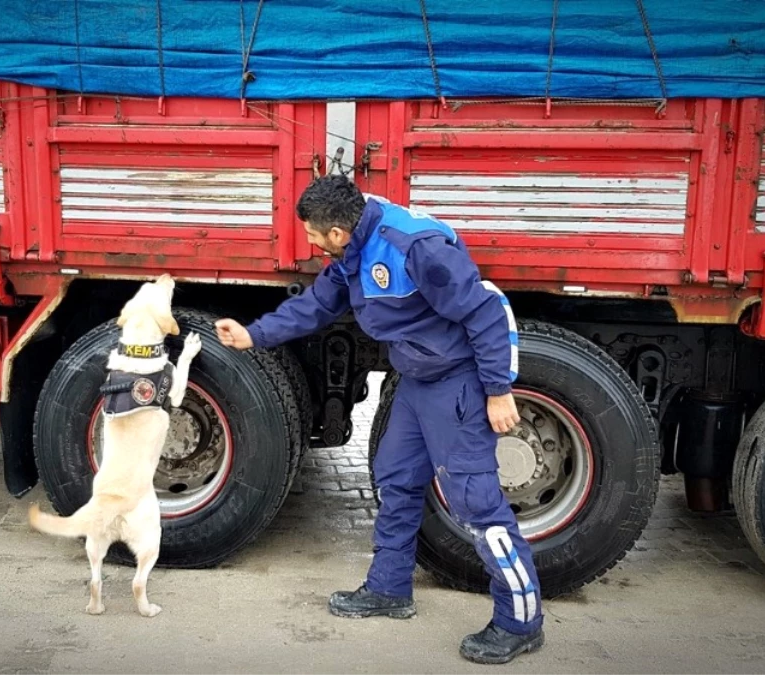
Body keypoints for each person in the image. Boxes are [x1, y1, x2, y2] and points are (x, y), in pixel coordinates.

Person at [214, 175, 544, 665]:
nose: (307, 240)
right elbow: (317, 305)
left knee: (475, 502)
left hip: (456, 381)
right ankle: (389, 590)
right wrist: (253, 335)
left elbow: (488, 311)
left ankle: (520, 621)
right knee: (395, 477)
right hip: (416, 380)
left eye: (311, 233)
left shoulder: (414, 249)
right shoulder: (352, 247)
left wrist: (498, 391)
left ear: (338, 233)